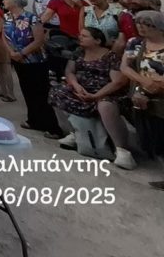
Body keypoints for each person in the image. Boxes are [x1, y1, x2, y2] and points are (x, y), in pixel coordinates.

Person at [49, 27, 133, 167]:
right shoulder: (78, 53)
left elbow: (118, 82)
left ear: (97, 40)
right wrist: (76, 86)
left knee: (105, 104)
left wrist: (96, 95)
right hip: (82, 90)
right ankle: (74, 133)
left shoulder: (110, 56)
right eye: (80, 35)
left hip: (105, 92)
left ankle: (122, 150)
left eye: (85, 36)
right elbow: (69, 72)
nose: (80, 37)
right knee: (57, 92)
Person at [2, 0, 62, 137]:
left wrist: (22, 53)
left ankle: (53, 127)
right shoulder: (7, 17)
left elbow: (38, 40)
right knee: (27, 90)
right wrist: (11, 52)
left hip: (34, 60)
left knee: (40, 92)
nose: (3, 1)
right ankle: (34, 120)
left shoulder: (32, 18)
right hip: (17, 59)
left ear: (15, 2)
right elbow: (4, 36)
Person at [120, 11, 164, 188]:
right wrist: (144, 83)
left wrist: (157, 85)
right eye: (138, 23)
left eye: (146, 24)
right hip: (142, 94)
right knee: (153, 137)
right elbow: (125, 66)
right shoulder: (135, 43)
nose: (140, 27)